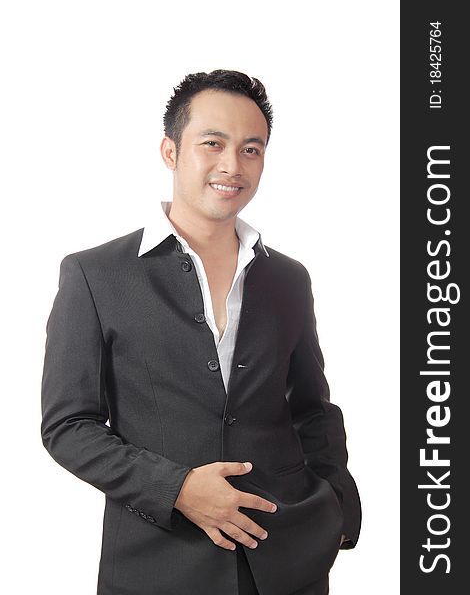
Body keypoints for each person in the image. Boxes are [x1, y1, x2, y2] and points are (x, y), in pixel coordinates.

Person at [41, 69, 361, 595]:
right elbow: (68, 426)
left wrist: (338, 508)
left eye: (251, 149)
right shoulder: (95, 274)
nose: (232, 165)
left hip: (288, 565)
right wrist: (177, 489)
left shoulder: (288, 278)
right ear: (171, 151)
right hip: (155, 566)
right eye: (212, 143)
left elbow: (312, 409)